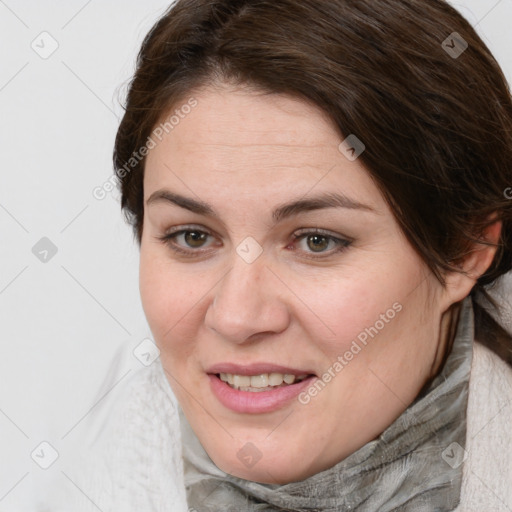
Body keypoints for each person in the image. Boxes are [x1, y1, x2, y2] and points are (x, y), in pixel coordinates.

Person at [72, 0, 512, 510]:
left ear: (466, 250)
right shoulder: (83, 469)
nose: (237, 318)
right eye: (193, 236)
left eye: (316, 240)